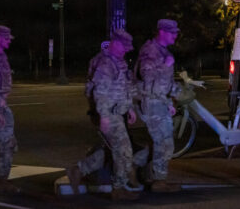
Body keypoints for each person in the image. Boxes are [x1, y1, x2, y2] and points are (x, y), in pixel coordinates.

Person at [68, 29, 140, 201]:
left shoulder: (118, 61)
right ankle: (118, 188)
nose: (126, 51)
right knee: (124, 151)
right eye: (124, 47)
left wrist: (130, 108)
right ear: (116, 43)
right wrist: (104, 117)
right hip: (109, 113)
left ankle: (79, 170)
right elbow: (100, 93)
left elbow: (125, 87)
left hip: (117, 112)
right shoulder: (106, 64)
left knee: (116, 150)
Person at [134, 19, 182, 192]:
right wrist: (165, 65)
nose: (175, 35)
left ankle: (132, 167)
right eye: (172, 32)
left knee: (160, 143)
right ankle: (158, 181)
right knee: (164, 143)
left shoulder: (163, 51)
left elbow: (164, 84)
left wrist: (169, 101)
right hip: (152, 103)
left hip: (159, 102)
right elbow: (149, 82)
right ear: (162, 32)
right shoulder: (150, 51)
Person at [0, 25, 20, 193]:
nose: (9, 41)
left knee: (8, 143)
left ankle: (2, 180)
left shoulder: (2, 56)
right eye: (6, 38)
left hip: (1, 105)